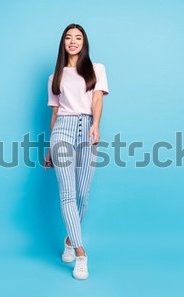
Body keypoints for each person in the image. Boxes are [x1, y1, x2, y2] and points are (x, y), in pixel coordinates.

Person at [44, 23, 109, 280]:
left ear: (84, 42)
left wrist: (96, 124)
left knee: (83, 193)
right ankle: (81, 255)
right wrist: (50, 146)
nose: (73, 41)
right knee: (68, 193)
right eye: (68, 37)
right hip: (63, 129)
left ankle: (70, 239)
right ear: (63, 43)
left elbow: (97, 99)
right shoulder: (55, 77)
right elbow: (55, 112)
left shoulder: (97, 69)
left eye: (77, 37)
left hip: (86, 128)